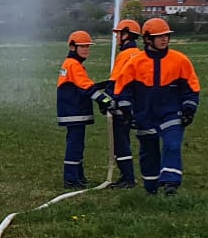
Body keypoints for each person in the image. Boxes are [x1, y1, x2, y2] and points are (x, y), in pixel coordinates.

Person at [115, 17, 201, 196]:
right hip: (144, 116)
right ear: (147, 39)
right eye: (159, 36)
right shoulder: (135, 62)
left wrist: (189, 110)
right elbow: (122, 90)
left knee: (172, 145)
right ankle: (151, 187)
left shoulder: (180, 60)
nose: (164, 39)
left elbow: (192, 87)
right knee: (148, 153)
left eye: (166, 36)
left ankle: (171, 183)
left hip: (171, 113)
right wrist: (127, 113)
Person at [94, 18, 144, 188]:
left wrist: (105, 101)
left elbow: (116, 83)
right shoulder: (139, 54)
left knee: (121, 143)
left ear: (126, 35)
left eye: (118, 34)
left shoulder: (124, 55)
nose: (116, 38)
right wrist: (99, 85)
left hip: (123, 107)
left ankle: (128, 178)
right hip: (137, 105)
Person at [55, 30, 96, 189]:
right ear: (73, 47)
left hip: (73, 112)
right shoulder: (73, 64)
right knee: (75, 145)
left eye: (87, 46)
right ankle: (71, 179)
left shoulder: (72, 64)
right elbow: (86, 87)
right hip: (74, 112)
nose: (86, 49)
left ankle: (78, 176)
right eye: (82, 46)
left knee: (77, 145)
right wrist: (105, 100)